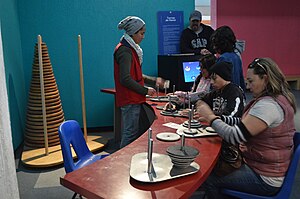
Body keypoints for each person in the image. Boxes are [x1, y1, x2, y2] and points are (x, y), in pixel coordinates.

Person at [197, 58, 297, 198]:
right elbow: (246, 123)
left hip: (265, 177)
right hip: (265, 167)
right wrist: (221, 119)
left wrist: (210, 117)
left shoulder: (268, 106)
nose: (248, 86)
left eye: (251, 81)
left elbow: (234, 136)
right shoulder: (277, 99)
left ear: (265, 79)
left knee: (209, 178)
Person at [114, 16, 165, 148]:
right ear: (133, 33)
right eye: (141, 33)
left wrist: (153, 81)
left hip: (133, 99)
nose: (143, 37)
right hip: (130, 99)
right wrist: (145, 90)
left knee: (131, 133)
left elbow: (134, 74)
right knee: (130, 134)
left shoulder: (129, 49)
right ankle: (122, 162)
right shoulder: (125, 51)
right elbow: (125, 79)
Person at [210, 25, 246, 91]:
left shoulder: (223, 59)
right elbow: (241, 81)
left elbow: (217, 83)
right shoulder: (236, 57)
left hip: (227, 94)